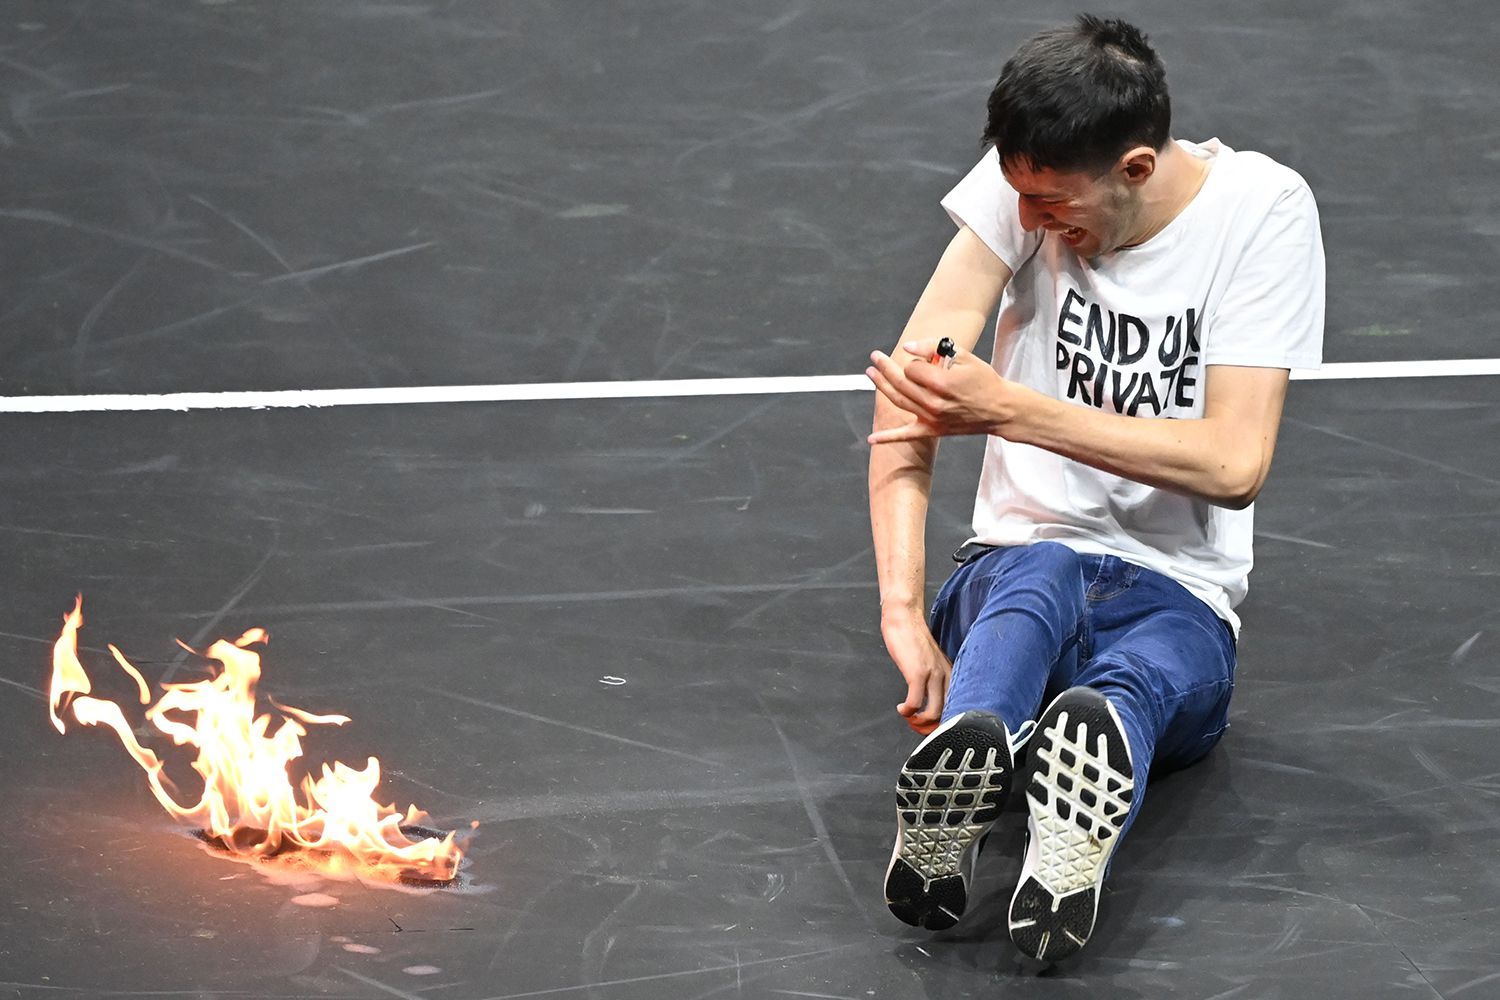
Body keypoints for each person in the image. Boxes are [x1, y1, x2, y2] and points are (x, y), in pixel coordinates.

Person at [865, 14, 1324, 962]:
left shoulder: (1262, 211)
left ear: (1138, 169)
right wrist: (904, 610)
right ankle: (972, 758)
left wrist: (1012, 409)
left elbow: (1235, 465)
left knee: (1150, 667)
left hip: (1182, 591)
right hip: (1020, 559)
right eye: (1017, 196)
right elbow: (915, 394)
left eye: (1052, 203)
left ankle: (1076, 802)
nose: (1030, 222)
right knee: (1035, 582)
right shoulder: (1019, 186)